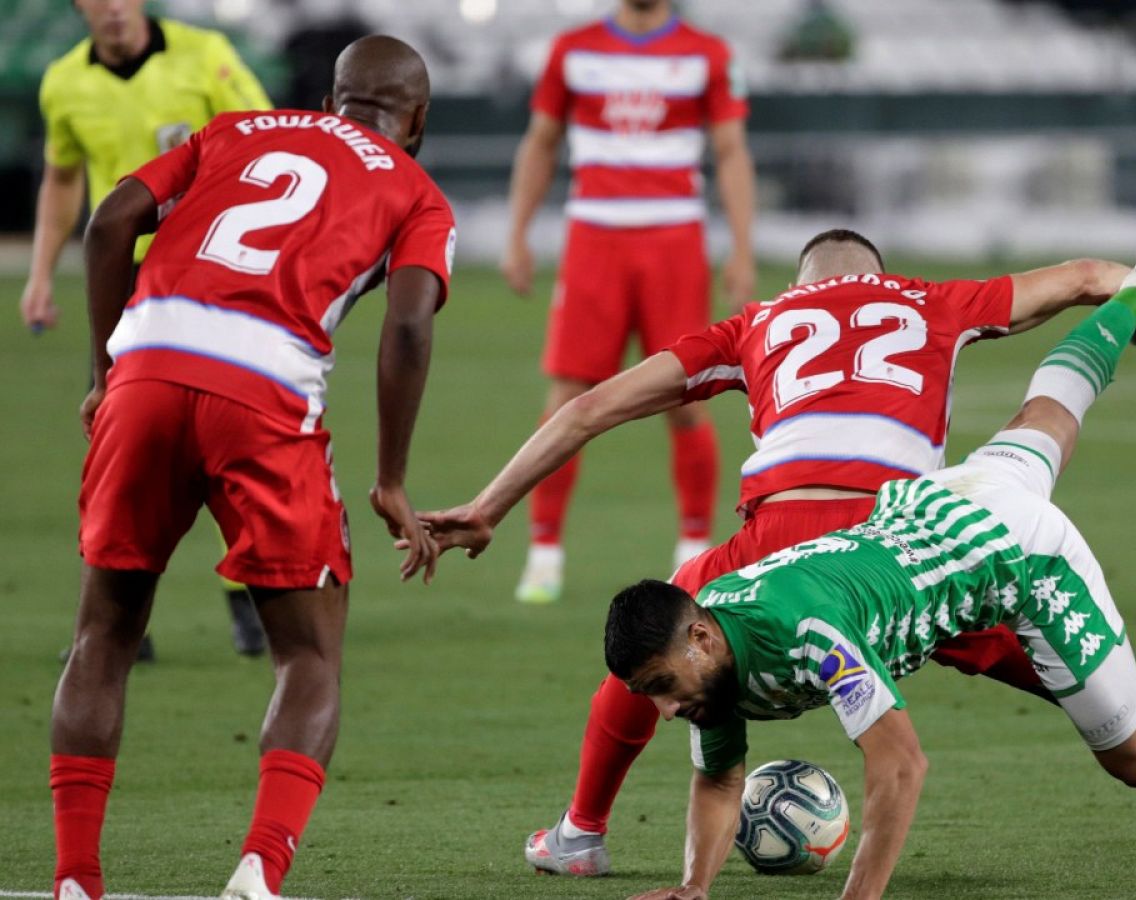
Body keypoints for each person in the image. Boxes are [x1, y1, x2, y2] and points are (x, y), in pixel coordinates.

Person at [419, 234, 1136, 893]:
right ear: (875, 272)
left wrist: (488, 505)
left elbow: (589, 408)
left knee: (658, 650)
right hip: (913, 541)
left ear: (804, 281)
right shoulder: (927, 300)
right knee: (1118, 717)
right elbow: (1077, 277)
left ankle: (581, 832)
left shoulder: (758, 323)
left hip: (781, 537)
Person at [51, 35, 452, 900]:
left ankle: (75, 878)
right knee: (309, 655)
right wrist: (390, 478)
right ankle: (259, 868)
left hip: (146, 371)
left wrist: (107, 375)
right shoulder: (415, 190)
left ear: (333, 98)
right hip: (264, 393)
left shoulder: (234, 129)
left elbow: (111, 220)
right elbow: (409, 323)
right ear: (417, 119)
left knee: (103, 636)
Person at [25, 0, 276, 659]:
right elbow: (62, 179)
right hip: (123, 280)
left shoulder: (205, 56)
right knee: (118, 444)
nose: (112, 8)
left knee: (227, 436)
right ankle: (119, 620)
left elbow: (267, 140)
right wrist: (41, 274)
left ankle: (248, 597)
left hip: (205, 274)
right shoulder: (64, 82)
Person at [501, 0, 757, 603]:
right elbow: (541, 142)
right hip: (594, 238)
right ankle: (544, 553)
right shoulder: (572, 49)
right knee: (568, 396)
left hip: (674, 239)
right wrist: (518, 233)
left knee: (686, 397)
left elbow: (730, 151)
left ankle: (693, 549)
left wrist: (742, 247)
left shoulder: (707, 53)